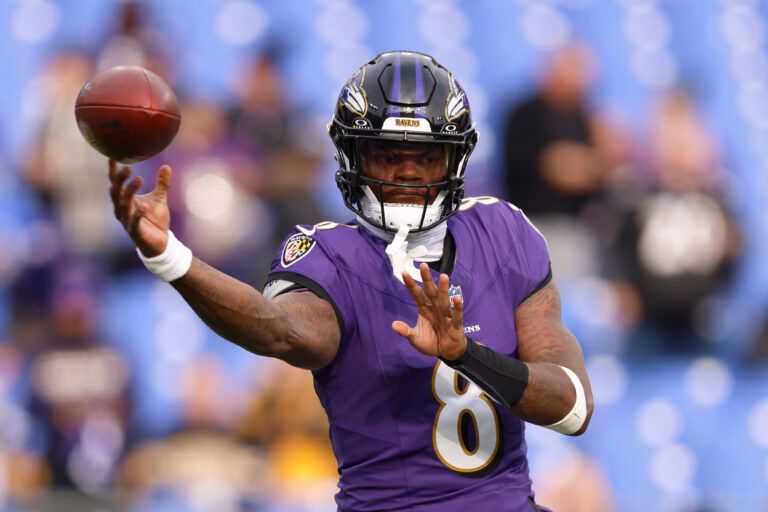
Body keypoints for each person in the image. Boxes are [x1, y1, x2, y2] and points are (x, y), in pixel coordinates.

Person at [107, 51, 594, 512]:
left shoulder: (504, 233)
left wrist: (466, 355)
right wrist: (171, 258)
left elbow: (571, 407)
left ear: (455, 160)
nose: (407, 173)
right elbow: (280, 329)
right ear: (353, 157)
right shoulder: (329, 255)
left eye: (425, 157)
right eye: (387, 155)